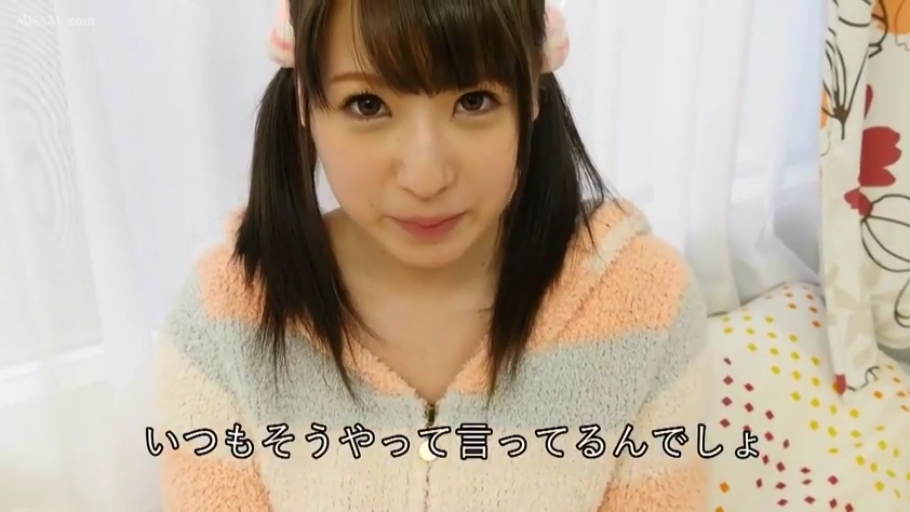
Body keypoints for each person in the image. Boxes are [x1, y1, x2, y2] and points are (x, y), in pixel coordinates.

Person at [153, 0, 711, 510]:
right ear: (304, 101)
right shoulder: (222, 320)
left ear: (533, 96)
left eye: (474, 100)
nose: (426, 177)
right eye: (367, 104)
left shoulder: (648, 305)